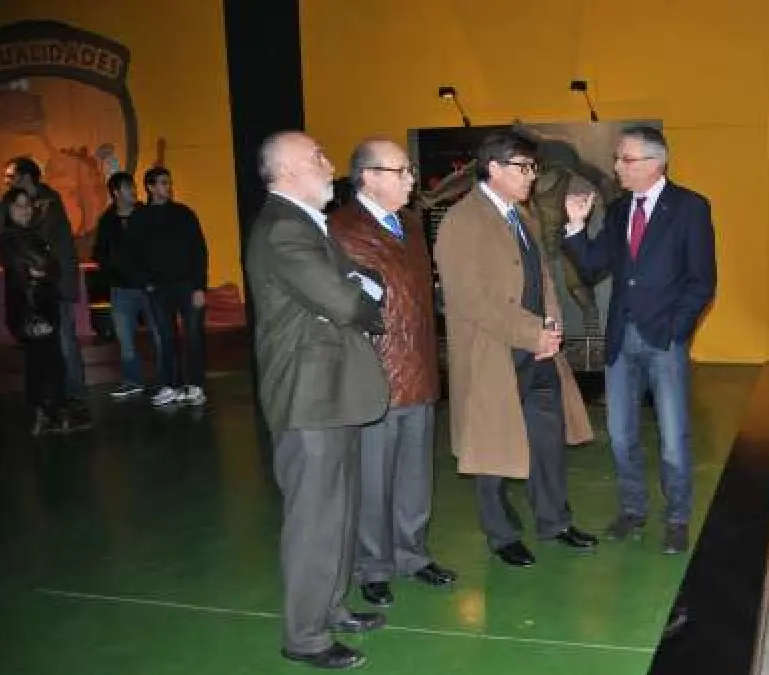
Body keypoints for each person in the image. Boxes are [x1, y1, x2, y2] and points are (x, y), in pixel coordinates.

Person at [245, 131, 389, 670]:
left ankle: (330, 606)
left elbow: (359, 281)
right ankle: (304, 635)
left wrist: (355, 290)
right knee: (313, 517)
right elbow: (346, 300)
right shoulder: (284, 228)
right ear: (286, 170)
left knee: (339, 508)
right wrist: (357, 297)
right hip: (308, 396)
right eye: (317, 158)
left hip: (331, 389)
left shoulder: (307, 224)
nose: (330, 165)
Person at [434, 130, 597, 568]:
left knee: (547, 439)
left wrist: (551, 326)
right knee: (491, 448)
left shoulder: (521, 217)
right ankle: (501, 534)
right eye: (523, 168)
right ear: (494, 168)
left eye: (533, 167)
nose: (531, 176)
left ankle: (554, 521)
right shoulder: (461, 221)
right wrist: (531, 333)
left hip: (538, 350)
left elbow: (542, 279)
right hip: (495, 352)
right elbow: (470, 298)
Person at [562, 125, 716, 554]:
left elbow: (702, 282)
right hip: (620, 341)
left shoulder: (690, 208)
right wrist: (575, 227)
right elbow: (593, 265)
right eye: (617, 158)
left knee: (673, 438)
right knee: (620, 434)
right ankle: (633, 508)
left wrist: (676, 331)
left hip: (664, 340)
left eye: (625, 159)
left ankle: (678, 516)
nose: (617, 167)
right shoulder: (616, 211)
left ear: (655, 163)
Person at [328, 137, 456, 606]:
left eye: (409, 171)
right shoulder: (341, 229)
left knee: (415, 474)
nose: (410, 180)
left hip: (418, 367)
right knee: (372, 478)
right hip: (374, 373)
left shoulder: (411, 224)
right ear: (368, 177)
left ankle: (412, 554)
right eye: (400, 172)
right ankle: (372, 565)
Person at [4, 157, 90, 426]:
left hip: (52, 291)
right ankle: (52, 405)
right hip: (37, 297)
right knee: (45, 354)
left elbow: (46, 260)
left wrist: (50, 276)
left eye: (11, 177)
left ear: (25, 177)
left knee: (61, 347)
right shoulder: (20, 224)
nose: (7, 182)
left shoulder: (46, 204)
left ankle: (70, 399)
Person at [132, 166, 209, 407]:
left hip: (186, 284)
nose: (168, 187)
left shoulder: (184, 214)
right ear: (150, 187)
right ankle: (171, 385)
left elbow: (198, 250)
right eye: (163, 183)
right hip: (158, 287)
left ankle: (195, 385)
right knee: (165, 337)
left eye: (168, 182)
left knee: (194, 335)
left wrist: (199, 286)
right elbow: (133, 254)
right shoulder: (140, 218)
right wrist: (146, 282)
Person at [0, 187, 72, 435]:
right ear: (8, 209)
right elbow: (40, 268)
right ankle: (47, 412)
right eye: (19, 205)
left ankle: (47, 413)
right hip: (32, 309)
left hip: (41, 305)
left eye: (28, 205)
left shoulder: (31, 235)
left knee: (45, 361)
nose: (26, 210)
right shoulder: (10, 237)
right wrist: (46, 270)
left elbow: (52, 269)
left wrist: (46, 270)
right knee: (44, 362)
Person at [92, 171, 162, 399]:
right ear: (116, 193)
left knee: (159, 334)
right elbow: (100, 253)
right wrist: (113, 270)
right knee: (125, 339)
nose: (134, 191)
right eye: (128, 187)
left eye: (133, 187)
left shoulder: (146, 215)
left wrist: (152, 276)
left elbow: (157, 248)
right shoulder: (107, 221)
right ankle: (133, 380)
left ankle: (167, 379)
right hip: (121, 288)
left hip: (149, 286)